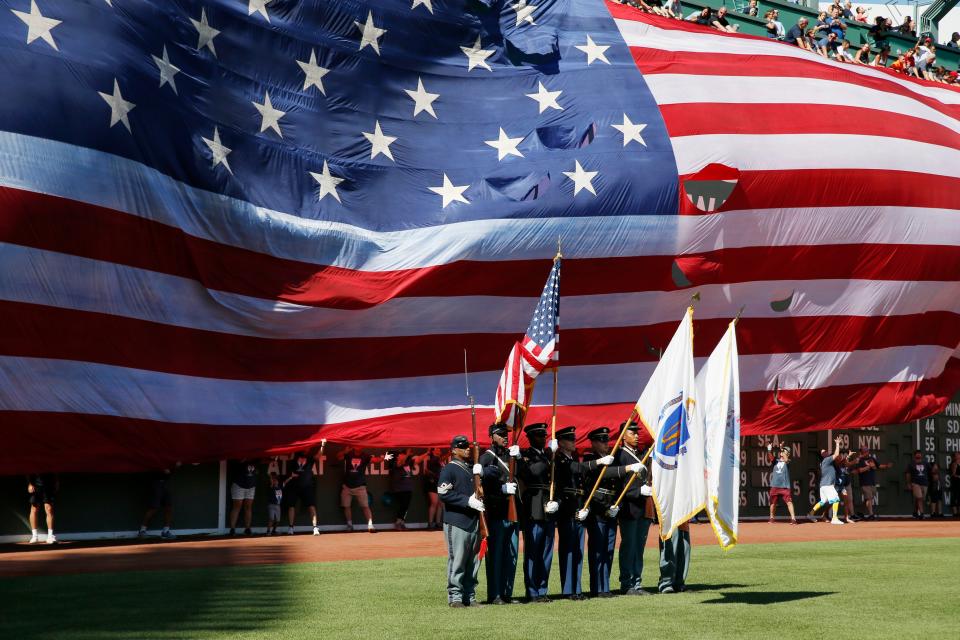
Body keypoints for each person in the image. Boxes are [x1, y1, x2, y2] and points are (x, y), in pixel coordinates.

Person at [553, 425, 613, 600]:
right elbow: (576, 470)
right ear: (561, 443)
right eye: (570, 439)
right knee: (568, 552)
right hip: (567, 510)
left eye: (573, 438)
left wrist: (584, 507)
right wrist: (598, 462)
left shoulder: (573, 457)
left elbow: (582, 486)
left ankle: (577, 589)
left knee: (578, 552)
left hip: (579, 509)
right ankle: (568, 590)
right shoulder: (560, 460)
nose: (573, 442)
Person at [438, 434, 485, 607]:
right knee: (457, 560)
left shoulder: (472, 468)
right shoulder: (449, 469)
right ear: (453, 450)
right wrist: (467, 501)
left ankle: (469, 596)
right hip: (457, 521)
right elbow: (443, 493)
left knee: (473, 561)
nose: (467, 449)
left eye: (468, 447)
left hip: (473, 520)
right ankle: (455, 597)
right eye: (463, 447)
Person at [479, 422, 521, 605]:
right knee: (496, 555)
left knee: (511, 556)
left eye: (506, 434)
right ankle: (495, 594)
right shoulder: (487, 458)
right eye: (501, 434)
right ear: (492, 436)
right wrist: (501, 490)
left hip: (512, 513)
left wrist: (519, 457)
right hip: (496, 512)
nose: (505, 437)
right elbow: (481, 486)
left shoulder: (511, 455)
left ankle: (507, 593)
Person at [579, 427, 621, 598]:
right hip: (597, 511)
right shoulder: (590, 459)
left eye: (607, 441)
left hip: (610, 509)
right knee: (597, 550)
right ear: (594, 443)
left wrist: (616, 506)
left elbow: (616, 485)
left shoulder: (610, 459)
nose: (606, 444)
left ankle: (606, 586)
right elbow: (600, 476)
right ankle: (597, 587)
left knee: (609, 550)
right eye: (602, 441)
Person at [610, 422, 651, 595]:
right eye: (632, 432)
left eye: (636, 433)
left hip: (642, 508)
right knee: (629, 546)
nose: (636, 435)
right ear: (623, 436)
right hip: (628, 507)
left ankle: (637, 581)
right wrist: (637, 491)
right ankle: (626, 583)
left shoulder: (641, 454)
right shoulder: (620, 455)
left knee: (639, 547)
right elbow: (619, 485)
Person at [517, 422, 557, 602]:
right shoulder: (527, 456)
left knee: (547, 552)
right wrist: (549, 455)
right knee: (533, 552)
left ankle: (542, 589)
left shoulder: (547, 456)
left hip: (549, 508)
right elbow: (532, 473)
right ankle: (532, 591)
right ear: (531, 438)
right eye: (540, 436)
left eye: (544, 435)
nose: (543, 439)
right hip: (533, 508)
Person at [337, 446, 392, 532]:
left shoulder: (365, 456)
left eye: (361, 445)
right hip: (347, 486)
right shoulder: (348, 454)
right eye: (357, 445)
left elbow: (376, 460)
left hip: (360, 486)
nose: (359, 447)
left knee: (365, 506)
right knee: (346, 506)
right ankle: (350, 525)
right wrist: (344, 451)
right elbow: (338, 456)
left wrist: (384, 457)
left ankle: (370, 525)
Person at [283, 450, 323, 535]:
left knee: (311, 506)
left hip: (307, 487)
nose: (306, 449)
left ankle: (315, 528)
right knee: (291, 506)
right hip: (294, 486)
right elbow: (290, 456)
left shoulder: (310, 459)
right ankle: (291, 528)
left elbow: (318, 455)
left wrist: (323, 445)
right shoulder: (294, 457)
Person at [387, 449, 427, 530]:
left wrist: (427, 453)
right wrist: (407, 454)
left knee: (406, 506)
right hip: (399, 488)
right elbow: (400, 463)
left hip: (408, 488)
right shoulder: (395, 463)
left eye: (403, 454)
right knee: (403, 505)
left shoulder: (408, 463)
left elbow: (418, 459)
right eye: (401, 455)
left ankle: (401, 523)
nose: (402, 456)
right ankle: (398, 523)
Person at [808, 436, 844, 524]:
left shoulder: (823, 463)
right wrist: (838, 444)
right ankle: (834, 518)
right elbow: (836, 455)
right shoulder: (827, 460)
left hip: (823, 486)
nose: (826, 452)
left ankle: (810, 514)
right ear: (822, 455)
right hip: (828, 485)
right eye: (824, 452)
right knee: (836, 499)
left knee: (822, 501)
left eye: (826, 451)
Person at [854, 446, 892, 520]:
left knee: (867, 499)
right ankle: (871, 514)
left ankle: (860, 512)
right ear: (861, 452)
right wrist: (869, 467)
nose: (867, 451)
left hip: (872, 482)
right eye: (864, 450)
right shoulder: (859, 460)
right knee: (869, 498)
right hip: (864, 482)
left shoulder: (872, 459)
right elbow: (859, 470)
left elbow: (878, 466)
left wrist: (886, 466)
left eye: (867, 450)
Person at [139, 466, 176, 539]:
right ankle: (142, 531)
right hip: (155, 483)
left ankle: (165, 531)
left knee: (168, 507)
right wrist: (161, 469)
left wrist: (174, 467)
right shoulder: (155, 461)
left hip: (164, 484)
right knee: (154, 508)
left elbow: (169, 474)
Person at [766, 444, 798, 524]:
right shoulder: (775, 461)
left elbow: (786, 460)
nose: (782, 452)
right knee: (773, 503)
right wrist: (769, 449)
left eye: (784, 451)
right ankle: (772, 518)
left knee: (789, 502)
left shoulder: (788, 461)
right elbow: (770, 457)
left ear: (787, 454)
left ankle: (793, 519)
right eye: (782, 451)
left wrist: (783, 450)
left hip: (784, 487)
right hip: (775, 486)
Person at [227, 459, 258, 536]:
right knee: (237, 506)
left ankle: (247, 528)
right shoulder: (240, 454)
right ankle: (232, 529)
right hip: (239, 485)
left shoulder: (256, 456)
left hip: (251, 486)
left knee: (248, 506)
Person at [658, 522, 691, 594]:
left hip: (683, 517)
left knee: (684, 546)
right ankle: (666, 584)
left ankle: (679, 583)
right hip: (670, 516)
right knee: (670, 546)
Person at [27, 472, 58, 544]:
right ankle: (34, 536)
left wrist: (56, 481)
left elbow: (54, 469)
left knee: (49, 508)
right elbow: (27, 470)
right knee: (34, 508)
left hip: (48, 485)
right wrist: (30, 483)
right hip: (35, 485)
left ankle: (50, 536)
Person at [422, 447, 445, 529]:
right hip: (432, 483)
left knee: (440, 504)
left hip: (440, 483)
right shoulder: (431, 459)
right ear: (433, 451)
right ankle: (430, 523)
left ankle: (438, 522)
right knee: (434, 502)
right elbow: (427, 471)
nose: (439, 450)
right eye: (437, 449)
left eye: (440, 449)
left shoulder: (440, 460)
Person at [904, 449, 932, 519]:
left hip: (924, 483)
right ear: (914, 455)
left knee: (920, 498)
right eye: (917, 454)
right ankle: (922, 514)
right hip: (915, 483)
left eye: (919, 453)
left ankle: (915, 512)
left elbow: (931, 470)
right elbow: (908, 474)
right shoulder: (911, 464)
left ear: (921, 455)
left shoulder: (925, 463)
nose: (918, 455)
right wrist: (908, 483)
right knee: (919, 498)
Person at [836, 451, 860, 523]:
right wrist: (854, 461)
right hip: (837, 485)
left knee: (847, 501)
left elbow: (846, 462)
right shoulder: (836, 463)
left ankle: (847, 517)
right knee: (833, 501)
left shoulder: (843, 461)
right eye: (838, 456)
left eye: (840, 455)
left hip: (844, 486)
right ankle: (827, 515)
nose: (840, 456)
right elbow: (846, 463)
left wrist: (849, 456)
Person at [950, 452, 960, 517]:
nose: (958, 456)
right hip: (956, 483)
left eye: (958, 454)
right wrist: (959, 476)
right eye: (956, 455)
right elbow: (953, 474)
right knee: (955, 497)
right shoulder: (954, 464)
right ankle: (955, 513)